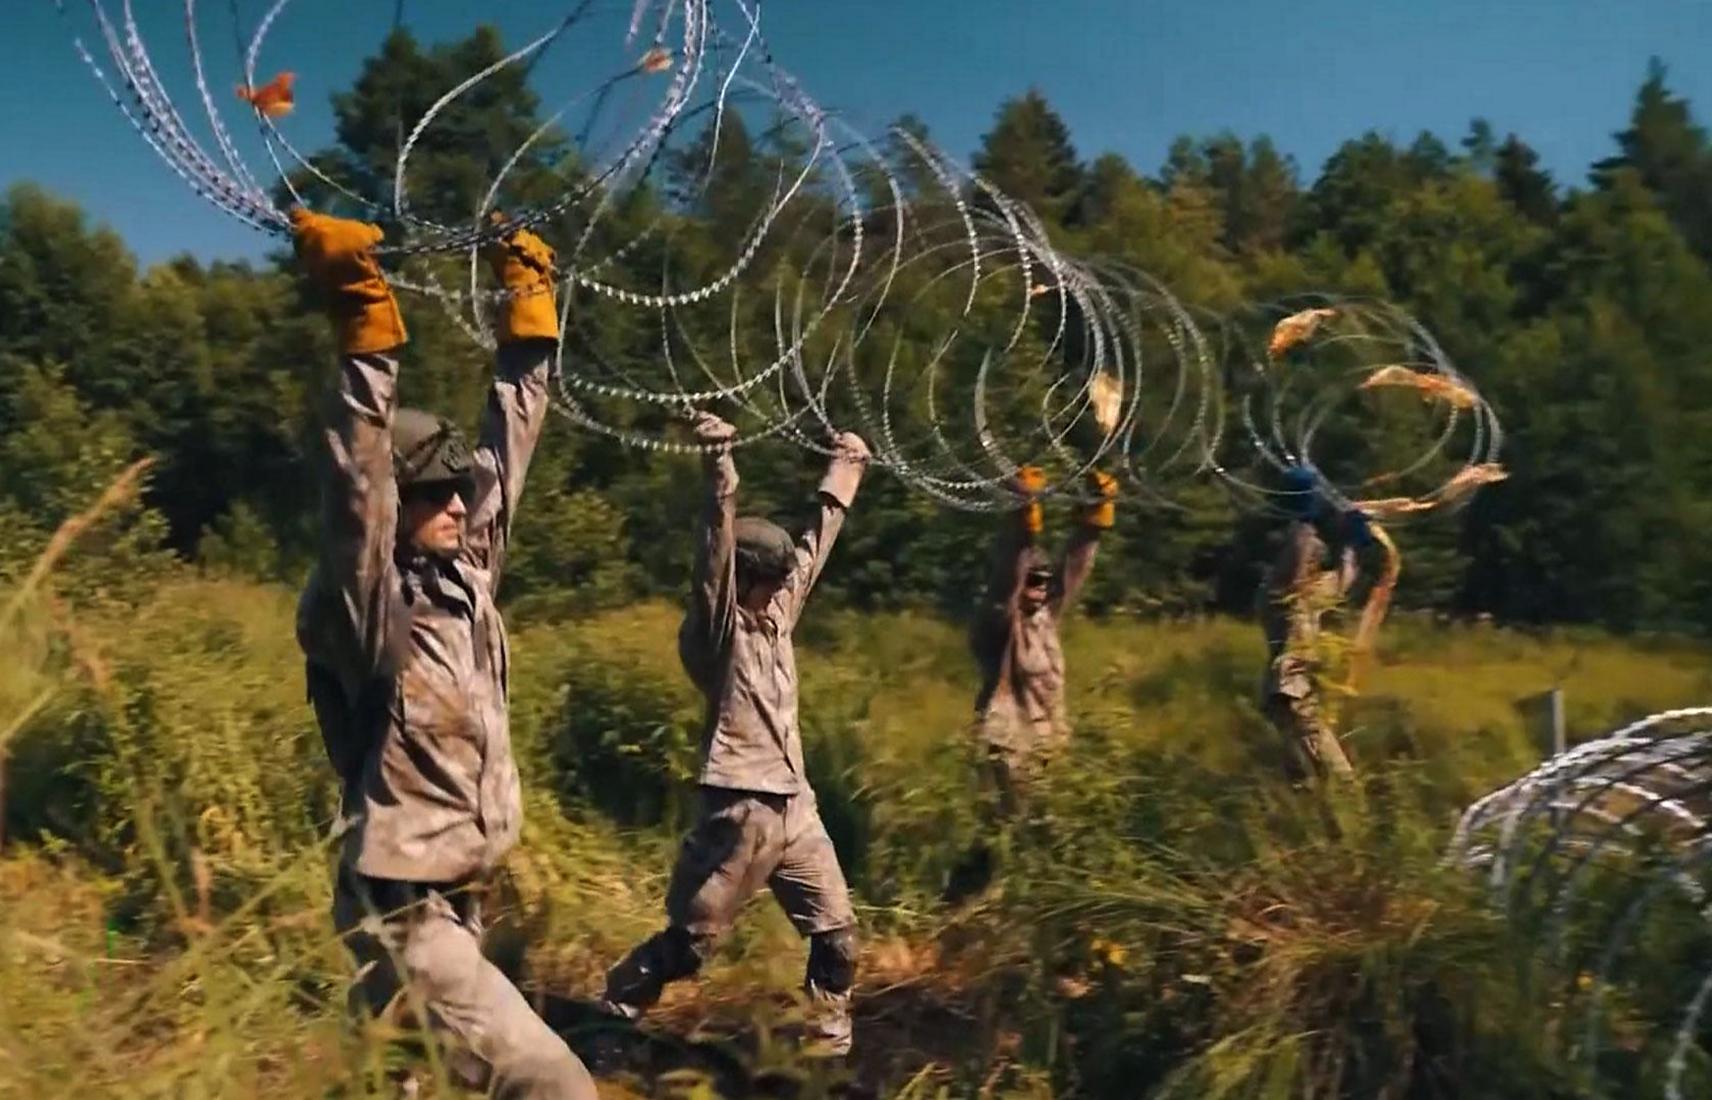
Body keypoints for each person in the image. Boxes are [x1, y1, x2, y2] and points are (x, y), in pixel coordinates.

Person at [292, 208, 597, 1099]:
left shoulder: (465, 576)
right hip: (401, 914)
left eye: (459, 492)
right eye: (434, 495)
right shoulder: (360, 607)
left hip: (460, 900)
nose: (460, 506)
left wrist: (530, 325)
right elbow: (358, 495)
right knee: (555, 1087)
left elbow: (512, 444)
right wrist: (365, 334)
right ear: (401, 506)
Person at [599, 413, 870, 1055]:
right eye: (770, 581)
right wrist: (720, 470)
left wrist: (848, 466)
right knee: (691, 948)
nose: (783, 589)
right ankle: (611, 1012)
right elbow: (711, 558)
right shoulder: (716, 635)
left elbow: (817, 543)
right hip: (739, 807)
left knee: (839, 937)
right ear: (744, 580)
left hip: (794, 807)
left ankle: (827, 1053)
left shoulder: (776, 616)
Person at [970, 465, 1117, 813]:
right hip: (1009, 744)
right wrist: (1023, 532)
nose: (1042, 586)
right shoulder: (1000, 620)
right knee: (1014, 828)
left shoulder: (1044, 619)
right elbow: (1007, 579)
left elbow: (1073, 571)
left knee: (1049, 827)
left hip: (1046, 741)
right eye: (1034, 579)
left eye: (1045, 580)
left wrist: (1092, 523)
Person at [1257, 467, 1372, 783]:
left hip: (1298, 695)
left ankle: (1305, 828)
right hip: (1291, 694)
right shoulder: (1280, 595)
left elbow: (1342, 580)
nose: (1314, 558)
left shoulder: (1306, 594)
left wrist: (1352, 547)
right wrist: (1311, 521)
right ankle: (1350, 828)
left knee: (1305, 782)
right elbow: (1299, 554)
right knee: (1340, 781)